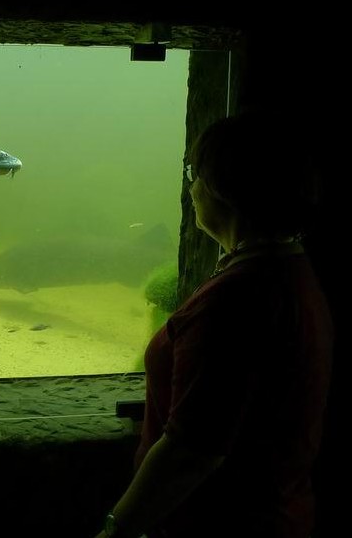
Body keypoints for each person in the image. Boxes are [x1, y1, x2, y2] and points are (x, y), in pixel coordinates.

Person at [95, 112, 334, 538]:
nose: (190, 187)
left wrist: (117, 528)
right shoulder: (289, 269)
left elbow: (193, 449)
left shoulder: (236, 299)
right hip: (279, 515)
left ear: (223, 185)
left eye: (192, 172)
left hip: (220, 525)